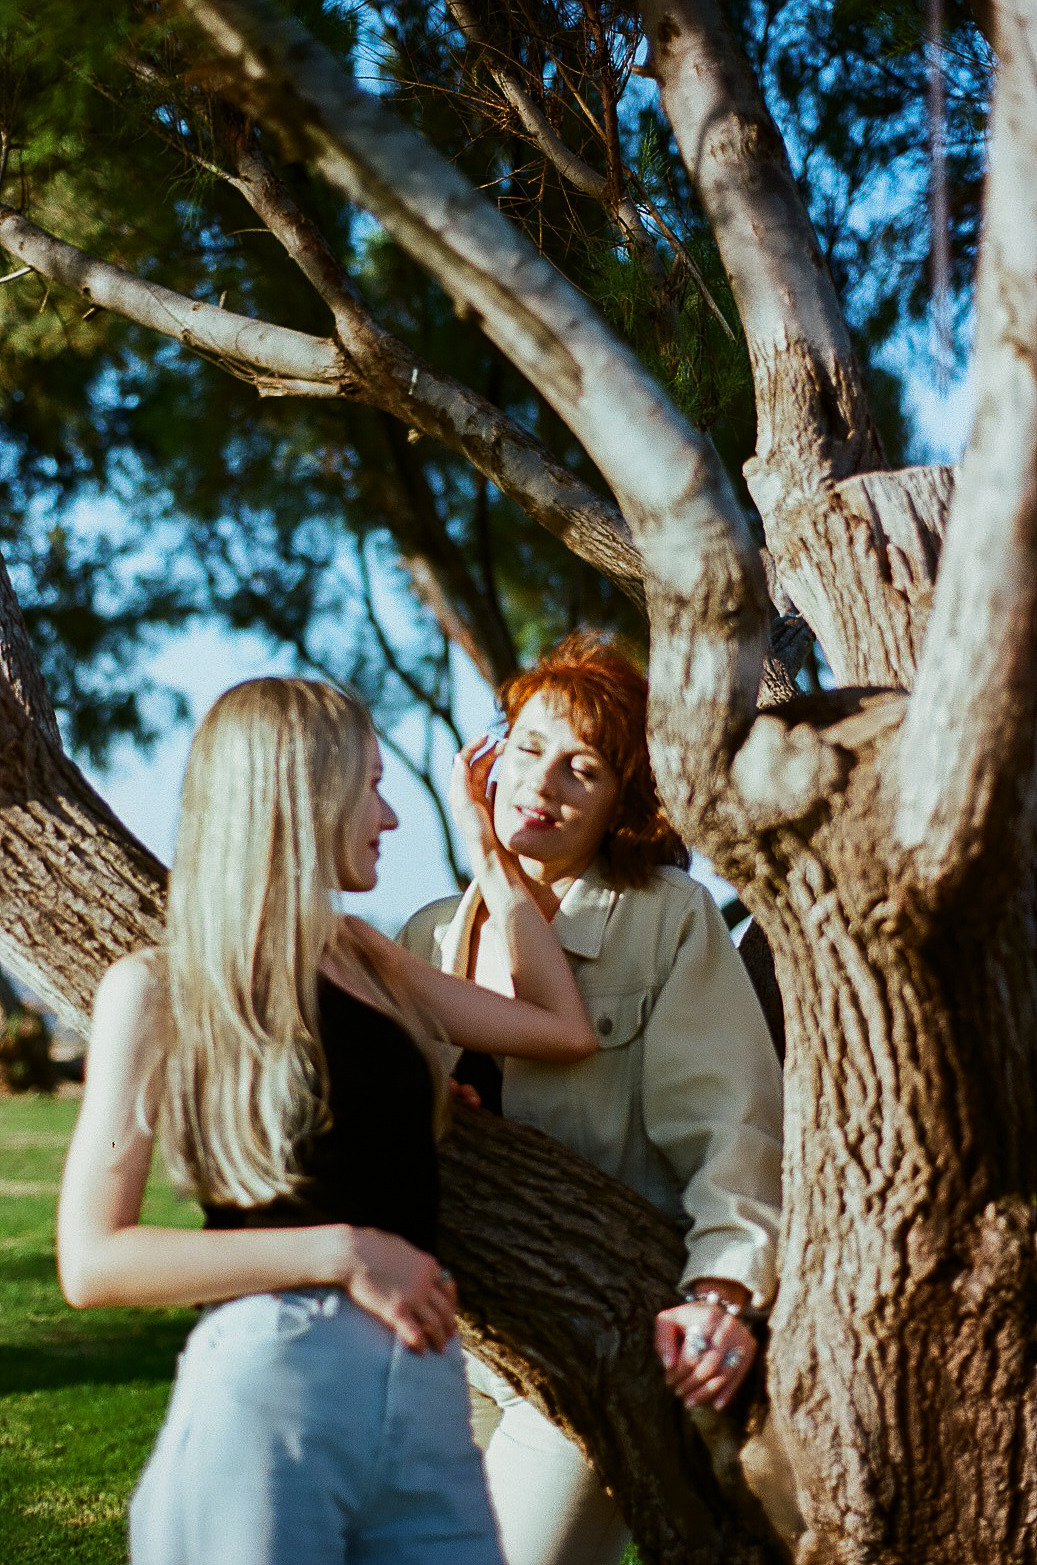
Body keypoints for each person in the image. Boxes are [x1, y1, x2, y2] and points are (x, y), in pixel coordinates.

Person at [56, 676, 600, 1565]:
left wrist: (490, 855)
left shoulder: (368, 957)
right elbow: (93, 1261)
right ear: (306, 792)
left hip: (424, 1387)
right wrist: (342, 1249)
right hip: (275, 1380)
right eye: (373, 785)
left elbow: (561, 1030)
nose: (390, 817)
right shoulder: (156, 987)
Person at [399, 633, 783, 1565]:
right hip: (441, 1342)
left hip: (585, 1341)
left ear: (622, 802)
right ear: (488, 757)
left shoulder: (664, 918)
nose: (544, 783)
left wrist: (722, 1291)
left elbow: (730, 1127)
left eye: (586, 768)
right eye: (528, 748)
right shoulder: (427, 933)